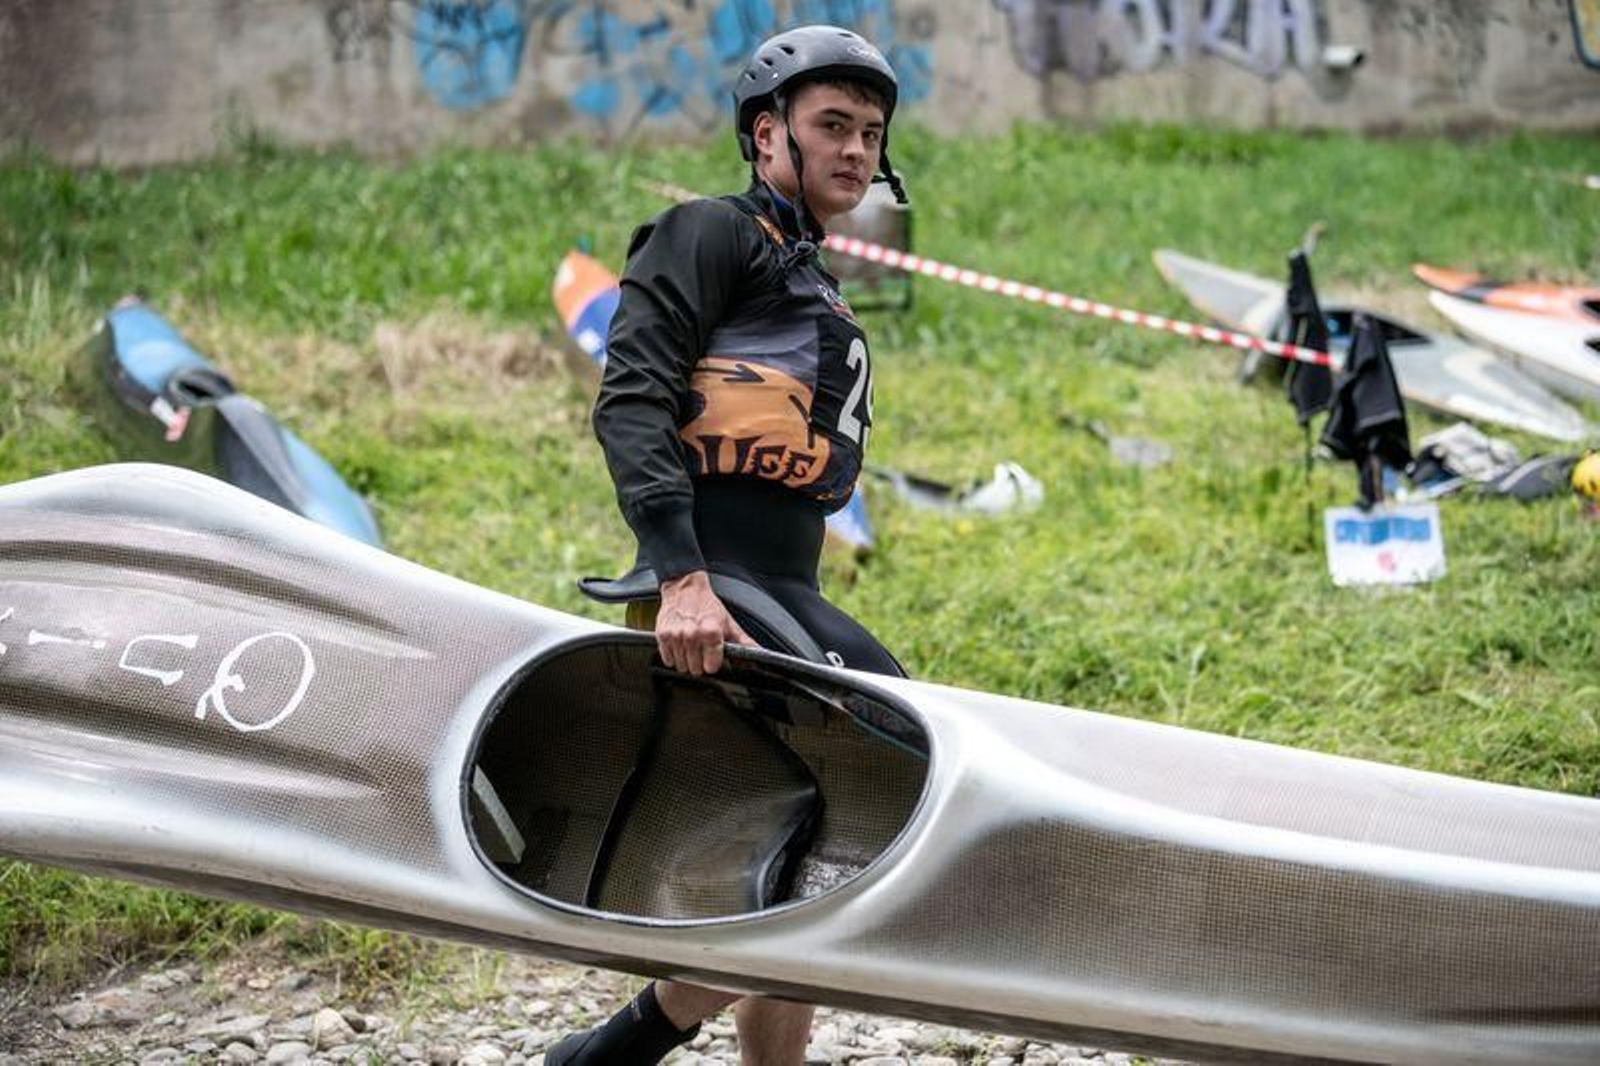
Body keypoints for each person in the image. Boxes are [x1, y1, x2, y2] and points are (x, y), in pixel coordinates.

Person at [546, 23, 909, 1066]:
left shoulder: (814, 279)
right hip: (717, 585)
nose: (854, 149)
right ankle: (618, 1044)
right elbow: (631, 402)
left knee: (814, 843)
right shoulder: (709, 232)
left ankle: (639, 1052)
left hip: (779, 585)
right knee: (845, 825)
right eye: (830, 125)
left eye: (870, 132)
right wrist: (684, 581)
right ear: (766, 135)